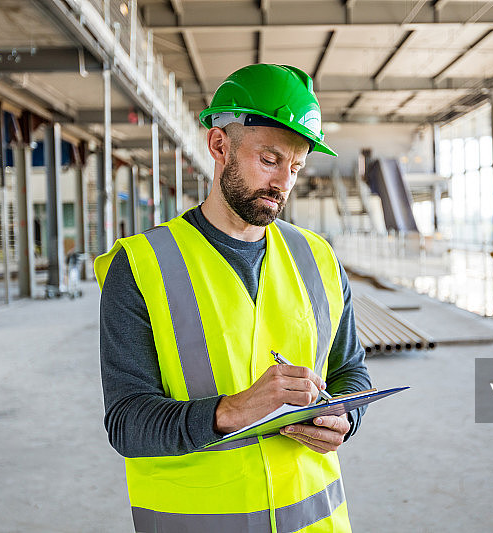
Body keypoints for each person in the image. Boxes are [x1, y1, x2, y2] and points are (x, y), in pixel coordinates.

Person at [95, 63, 371, 532]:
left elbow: (351, 371)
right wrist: (232, 411)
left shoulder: (318, 258)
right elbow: (126, 421)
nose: (283, 183)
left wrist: (346, 415)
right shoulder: (141, 266)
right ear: (220, 146)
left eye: (296, 166)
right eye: (269, 160)